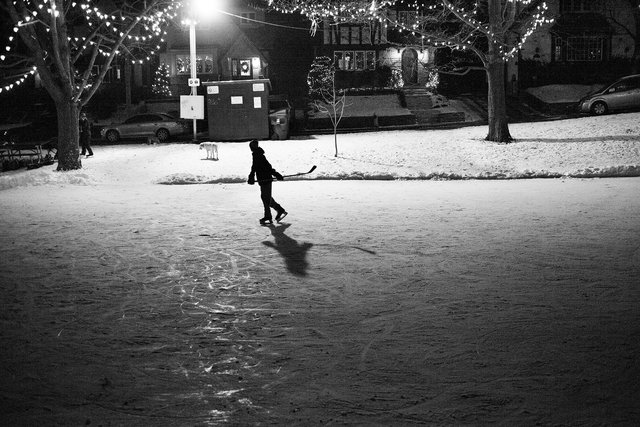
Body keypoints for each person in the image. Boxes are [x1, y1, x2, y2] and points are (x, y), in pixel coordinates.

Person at [247, 139, 287, 225]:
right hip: (263, 179)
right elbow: (254, 167)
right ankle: (279, 210)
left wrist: (276, 174)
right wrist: (251, 176)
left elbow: (268, 167)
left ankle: (268, 215)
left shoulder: (259, 155)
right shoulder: (256, 154)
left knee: (265, 198)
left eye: (251, 146)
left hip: (266, 179)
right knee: (266, 197)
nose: (250, 148)